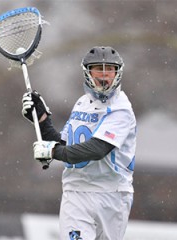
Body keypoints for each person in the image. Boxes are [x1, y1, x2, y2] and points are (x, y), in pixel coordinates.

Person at [22, 46, 136, 240]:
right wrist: (41, 119)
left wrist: (53, 152)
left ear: (118, 72)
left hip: (112, 195)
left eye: (109, 69)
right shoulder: (82, 103)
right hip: (76, 193)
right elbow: (63, 143)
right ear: (87, 72)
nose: (104, 75)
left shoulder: (121, 109)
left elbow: (97, 149)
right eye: (98, 69)